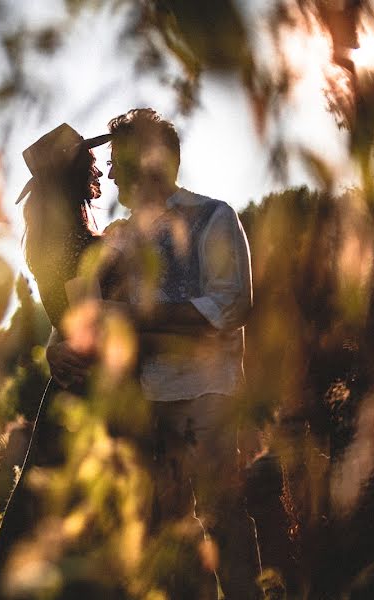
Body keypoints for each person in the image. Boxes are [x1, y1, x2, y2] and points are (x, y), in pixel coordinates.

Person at [47, 108, 259, 599]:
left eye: (119, 159)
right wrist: (54, 351)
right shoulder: (120, 239)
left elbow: (232, 304)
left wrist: (137, 317)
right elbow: (87, 311)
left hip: (207, 399)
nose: (112, 171)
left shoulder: (214, 216)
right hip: (142, 410)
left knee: (226, 527)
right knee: (163, 541)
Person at [0, 123, 111, 600]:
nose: (96, 170)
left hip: (65, 388)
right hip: (86, 390)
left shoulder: (46, 238)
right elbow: (89, 323)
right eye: (88, 163)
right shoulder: (75, 242)